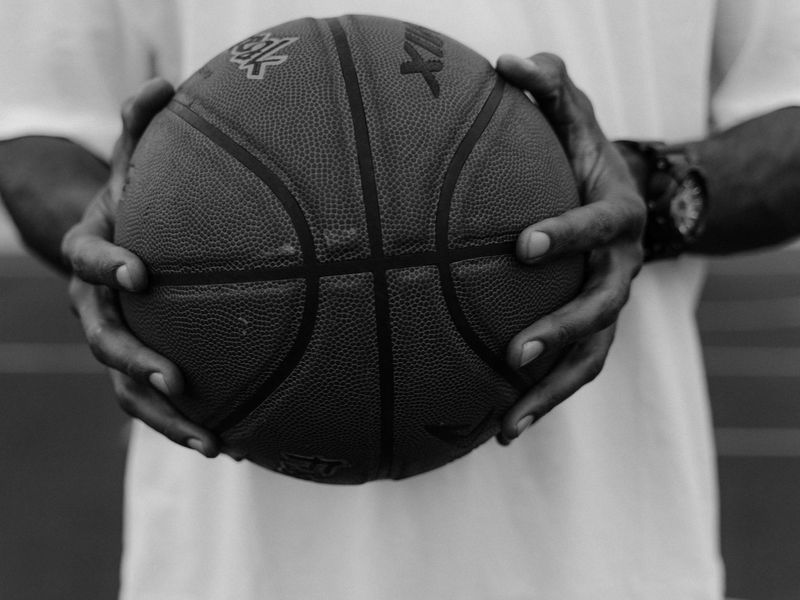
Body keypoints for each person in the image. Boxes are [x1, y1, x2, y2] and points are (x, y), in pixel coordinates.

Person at [1, 1, 799, 598]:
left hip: (610, 553)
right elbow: (37, 127)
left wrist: (649, 193)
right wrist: (118, 245)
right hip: (232, 567)